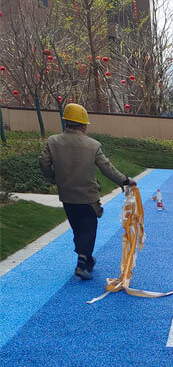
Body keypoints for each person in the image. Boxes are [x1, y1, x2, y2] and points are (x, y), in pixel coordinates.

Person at [38, 103, 137, 281]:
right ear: (83, 125)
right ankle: (82, 264)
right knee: (89, 230)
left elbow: (43, 162)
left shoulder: (53, 142)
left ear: (66, 122)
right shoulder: (93, 145)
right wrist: (125, 181)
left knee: (78, 229)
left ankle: (87, 259)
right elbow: (107, 168)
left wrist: (53, 178)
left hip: (67, 196)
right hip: (88, 197)